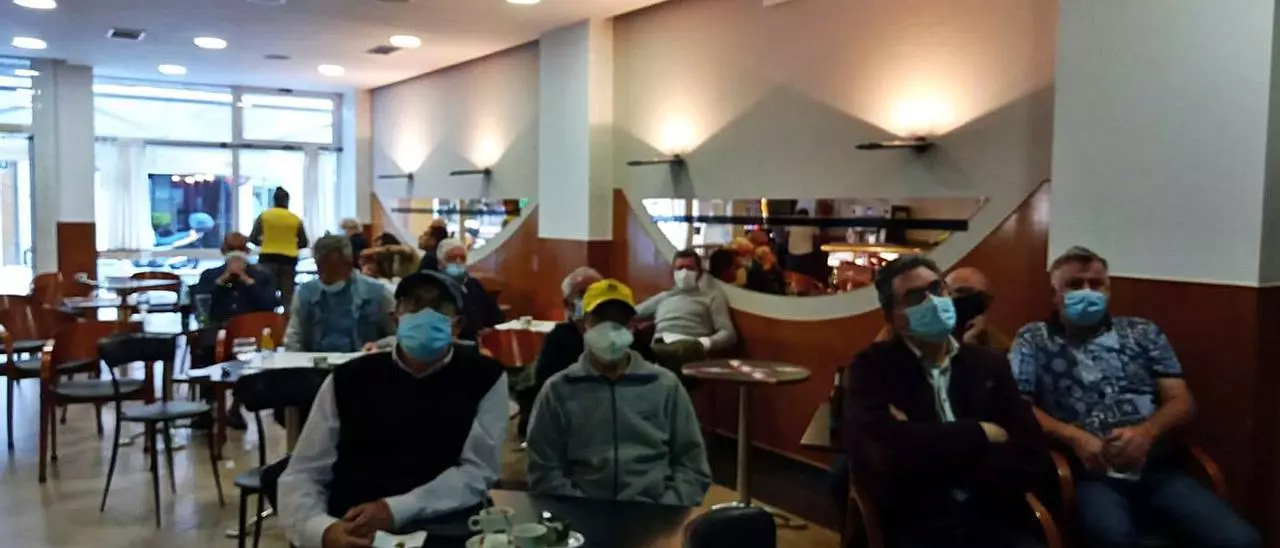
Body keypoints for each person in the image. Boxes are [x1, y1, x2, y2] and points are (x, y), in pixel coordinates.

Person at [1009, 247, 1260, 548]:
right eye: (1075, 285)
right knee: (1111, 537)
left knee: (1240, 540)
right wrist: (1075, 437)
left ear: (1108, 290)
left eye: (1096, 284)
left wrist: (1146, 434)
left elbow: (1182, 401)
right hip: (1089, 473)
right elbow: (1017, 407)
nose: (1087, 292)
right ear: (1055, 294)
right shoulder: (1033, 339)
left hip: (1154, 468)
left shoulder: (1142, 332)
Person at [278, 271, 509, 548]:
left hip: (443, 525)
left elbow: (477, 472)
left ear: (456, 325)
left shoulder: (484, 377)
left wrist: (395, 509)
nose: (424, 314)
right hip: (351, 523)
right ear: (395, 319)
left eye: (438, 307)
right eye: (414, 304)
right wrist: (322, 530)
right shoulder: (349, 378)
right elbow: (305, 472)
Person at [844, 255, 1046, 548]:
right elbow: (881, 455)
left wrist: (924, 443)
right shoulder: (872, 368)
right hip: (917, 521)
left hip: (993, 515)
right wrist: (980, 433)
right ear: (892, 316)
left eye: (937, 289)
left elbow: (1031, 452)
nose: (933, 302)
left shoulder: (989, 364)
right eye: (915, 297)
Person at [527, 279, 711, 506]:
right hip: (579, 514)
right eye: (601, 319)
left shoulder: (665, 386)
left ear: (632, 326)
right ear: (584, 323)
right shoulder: (558, 390)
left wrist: (668, 507)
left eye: (620, 321)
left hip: (655, 513)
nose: (611, 329)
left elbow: (692, 465)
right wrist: (579, 511)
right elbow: (543, 469)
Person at [524, 267, 661, 440]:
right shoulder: (558, 363)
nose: (609, 325)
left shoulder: (664, 384)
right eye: (584, 294)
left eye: (619, 319)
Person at [283, 235, 396, 353]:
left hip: (362, 362)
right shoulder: (304, 294)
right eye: (320, 268)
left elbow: (399, 338)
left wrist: (378, 346)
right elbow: (293, 338)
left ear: (348, 265)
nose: (325, 276)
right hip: (314, 362)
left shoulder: (377, 293)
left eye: (331, 269)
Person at [635, 249, 737, 378]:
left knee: (666, 357)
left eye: (690, 268)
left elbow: (729, 334)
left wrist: (703, 343)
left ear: (699, 273)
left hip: (690, 346)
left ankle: (650, 358)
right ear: (673, 273)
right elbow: (632, 312)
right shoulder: (665, 297)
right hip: (660, 343)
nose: (684, 272)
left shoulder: (712, 296)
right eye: (680, 268)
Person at [193, 232, 279, 325]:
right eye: (231, 249)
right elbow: (202, 307)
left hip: (252, 326)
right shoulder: (209, 275)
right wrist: (221, 281)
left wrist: (249, 282)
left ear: (247, 251)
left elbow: (269, 306)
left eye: (241, 249)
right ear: (223, 251)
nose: (236, 253)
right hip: (219, 326)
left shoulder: (262, 276)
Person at [249, 187, 308, 311]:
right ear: (287, 201)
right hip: (289, 260)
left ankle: (269, 319)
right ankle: (287, 320)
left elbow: (253, 238)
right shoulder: (295, 219)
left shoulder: (264, 216)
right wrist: (291, 244)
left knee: (267, 292)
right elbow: (304, 242)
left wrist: (265, 242)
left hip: (267, 258)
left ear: (274, 200)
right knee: (288, 296)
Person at [435, 238, 503, 342]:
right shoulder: (435, 288)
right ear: (441, 262)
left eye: (462, 258)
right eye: (452, 258)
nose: (458, 262)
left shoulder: (473, 284)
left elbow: (495, 314)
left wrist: (489, 329)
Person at [786, 208, 819, 279]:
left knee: (792, 276)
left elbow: (786, 236)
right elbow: (816, 239)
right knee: (807, 277)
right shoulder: (812, 224)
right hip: (807, 253)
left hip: (792, 252)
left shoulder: (791, 223)